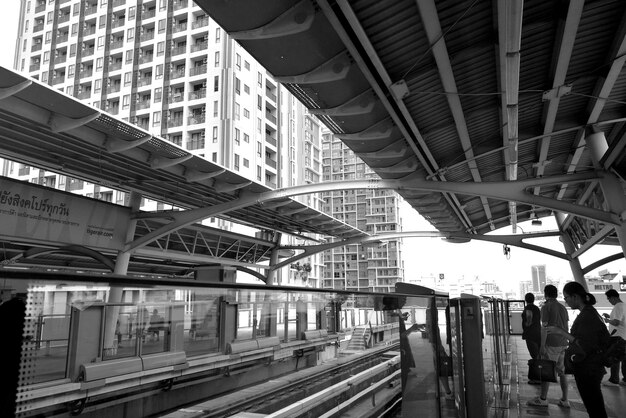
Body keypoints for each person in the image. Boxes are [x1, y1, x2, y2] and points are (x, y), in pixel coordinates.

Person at [546, 282, 610, 418]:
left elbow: (584, 344)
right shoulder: (589, 312)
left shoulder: (587, 316)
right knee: (594, 406)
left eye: (566, 297)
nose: (566, 301)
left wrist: (561, 332)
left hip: (589, 369)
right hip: (590, 368)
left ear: (575, 297)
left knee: (595, 408)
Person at [527, 285, 570, 408]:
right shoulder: (563, 307)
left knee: (546, 370)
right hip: (563, 343)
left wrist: (542, 345)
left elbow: (544, 328)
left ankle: (543, 398)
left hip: (551, 343)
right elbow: (566, 326)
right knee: (562, 373)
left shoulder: (546, 307)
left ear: (546, 294)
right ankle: (565, 399)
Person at [602, 289, 626, 386]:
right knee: (624, 358)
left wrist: (607, 320)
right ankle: (625, 379)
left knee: (614, 357)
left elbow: (616, 322)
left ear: (613, 297)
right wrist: (610, 318)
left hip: (617, 335)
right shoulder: (624, 305)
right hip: (624, 335)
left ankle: (614, 379)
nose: (609, 301)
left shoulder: (618, 306)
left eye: (609, 299)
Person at [521, 292, 541, 384]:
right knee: (538, 355)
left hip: (530, 334)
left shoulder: (528, 307)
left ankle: (537, 378)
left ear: (526, 299)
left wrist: (527, 323)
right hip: (538, 333)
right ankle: (540, 375)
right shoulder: (536, 308)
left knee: (534, 355)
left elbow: (529, 315)